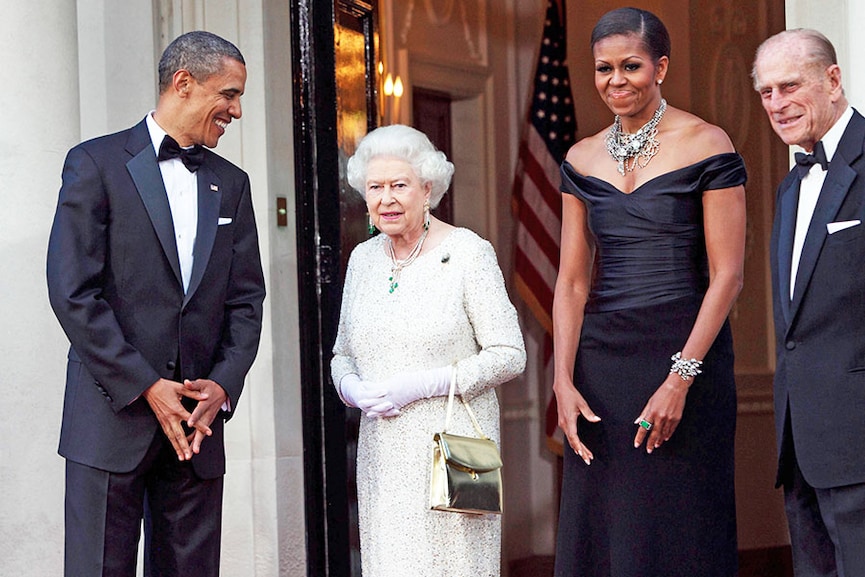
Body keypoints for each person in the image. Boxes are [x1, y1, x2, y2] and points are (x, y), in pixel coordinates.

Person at [46, 31, 265, 577]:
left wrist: (224, 382)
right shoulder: (93, 164)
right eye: (230, 94)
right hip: (109, 419)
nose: (237, 110)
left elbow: (246, 300)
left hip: (198, 426)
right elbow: (73, 292)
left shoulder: (232, 185)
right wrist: (146, 385)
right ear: (183, 83)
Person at [551, 7, 747, 576]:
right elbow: (570, 280)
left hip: (685, 349)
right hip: (601, 362)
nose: (616, 81)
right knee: (604, 525)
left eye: (631, 66)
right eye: (603, 69)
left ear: (660, 66)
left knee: (679, 522)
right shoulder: (580, 157)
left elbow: (729, 274)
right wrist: (563, 380)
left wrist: (680, 378)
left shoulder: (707, 142)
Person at [331, 124, 526, 576]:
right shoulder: (363, 259)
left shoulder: (467, 253)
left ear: (428, 189)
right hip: (383, 454)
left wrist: (422, 385)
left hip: (451, 452)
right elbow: (342, 353)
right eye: (375, 187)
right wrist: (351, 389)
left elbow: (509, 352)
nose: (386, 199)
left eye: (400, 185)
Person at [753, 29, 865, 577]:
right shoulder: (790, 185)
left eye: (790, 86)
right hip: (800, 442)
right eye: (766, 92)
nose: (777, 104)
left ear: (833, 80)